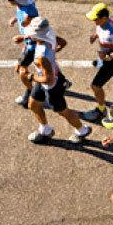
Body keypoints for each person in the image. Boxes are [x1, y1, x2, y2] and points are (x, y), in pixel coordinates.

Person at [25, 17, 93, 145]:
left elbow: (48, 79)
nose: (29, 35)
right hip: (47, 78)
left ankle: (82, 131)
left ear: (37, 36)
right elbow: (63, 42)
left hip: (51, 86)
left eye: (31, 34)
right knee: (33, 104)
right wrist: (53, 55)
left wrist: (31, 77)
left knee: (63, 111)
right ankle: (45, 130)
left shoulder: (42, 56)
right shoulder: (49, 34)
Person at [2, 0, 40, 107]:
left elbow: (36, 32)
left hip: (31, 45)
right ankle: (58, 81)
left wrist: (22, 37)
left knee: (20, 69)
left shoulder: (30, 12)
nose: (8, 1)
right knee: (37, 65)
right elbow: (21, 15)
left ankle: (30, 93)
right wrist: (15, 19)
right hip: (28, 43)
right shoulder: (22, 5)